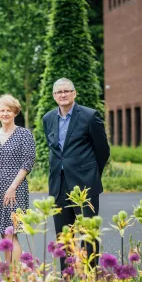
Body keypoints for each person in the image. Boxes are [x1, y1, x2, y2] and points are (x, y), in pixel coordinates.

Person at [42, 78, 110, 270]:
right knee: (64, 236)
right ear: (54, 96)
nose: (63, 95)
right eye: (59, 92)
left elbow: (102, 150)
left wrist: (91, 174)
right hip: (58, 184)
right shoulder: (48, 119)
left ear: (74, 93)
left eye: (66, 91)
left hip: (85, 184)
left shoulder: (89, 116)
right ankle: (68, 280)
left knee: (88, 234)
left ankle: (91, 279)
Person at [0, 94, 36, 264]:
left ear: (15, 112)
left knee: (11, 232)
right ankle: (8, 275)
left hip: (16, 189)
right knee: (3, 235)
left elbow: (27, 163)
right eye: (2, 110)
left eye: (9, 110)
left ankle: (15, 278)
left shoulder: (24, 134)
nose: (5, 113)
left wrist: (13, 187)